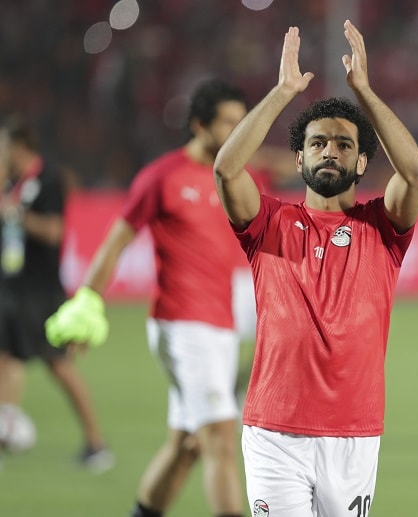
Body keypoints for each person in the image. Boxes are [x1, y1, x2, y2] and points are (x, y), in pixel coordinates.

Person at [213, 21, 418, 517]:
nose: (330, 149)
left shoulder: (383, 228)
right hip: (274, 433)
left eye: (345, 145)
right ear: (299, 157)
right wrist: (283, 91)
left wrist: (366, 94)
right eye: (317, 143)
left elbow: (413, 172)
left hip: (354, 434)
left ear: (360, 164)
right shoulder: (268, 222)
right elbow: (226, 169)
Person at [45, 79, 253, 517]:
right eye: (229, 123)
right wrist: (87, 303)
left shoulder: (235, 177)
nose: (239, 132)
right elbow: (116, 242)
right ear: (199, 125)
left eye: (243, 123)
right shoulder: (163, 177)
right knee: (219, 438)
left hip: (220, 324)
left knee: (187, 446)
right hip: (181, 324)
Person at [0, 116, 114, 471]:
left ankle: (96, 443)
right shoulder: (10, 181)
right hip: (13, 286)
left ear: (20, 146)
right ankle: (6, 435)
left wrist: (15, 214)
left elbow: (53, 232)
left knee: (58, 364)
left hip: (41, 288)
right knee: (8, 359)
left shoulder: (48, 179)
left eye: (4, 146)